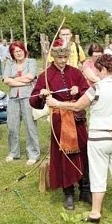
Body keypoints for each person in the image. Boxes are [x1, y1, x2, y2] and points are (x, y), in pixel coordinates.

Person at [45, 53, 112, 222]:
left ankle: (95, 212)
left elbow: (77, 105)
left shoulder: (96, 88)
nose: (96, 74)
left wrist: (57, 103)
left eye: (98, 70)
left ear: (105, 70)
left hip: (99, 138)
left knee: (98, 174)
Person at [30, 39, 91, 210]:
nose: (63, 61)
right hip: (59, 122)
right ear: (53, 57)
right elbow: (34, 100)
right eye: (59, 58)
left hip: (77, 118)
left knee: (83, 152)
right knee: (64, 156)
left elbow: (88, 91)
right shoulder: (46, 76)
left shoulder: (76, 72)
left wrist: (78, 90)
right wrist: (42, 94)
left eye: (65, 57)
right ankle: (68, 193)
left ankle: (85, 190)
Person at [3, 41, 40, 165]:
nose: (18, 53)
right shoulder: (9, 63)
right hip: (13, 97)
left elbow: (31, 76)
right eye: (15, 51)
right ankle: (14, 152)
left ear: (24, 50)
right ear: (12, 54)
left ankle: (33, 153)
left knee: (30, 126)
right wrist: (22, 81)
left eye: (20, 50)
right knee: (12, 126)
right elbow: (6, 80)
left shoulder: (31, 62)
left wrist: (14, 80)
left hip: (28, 96)